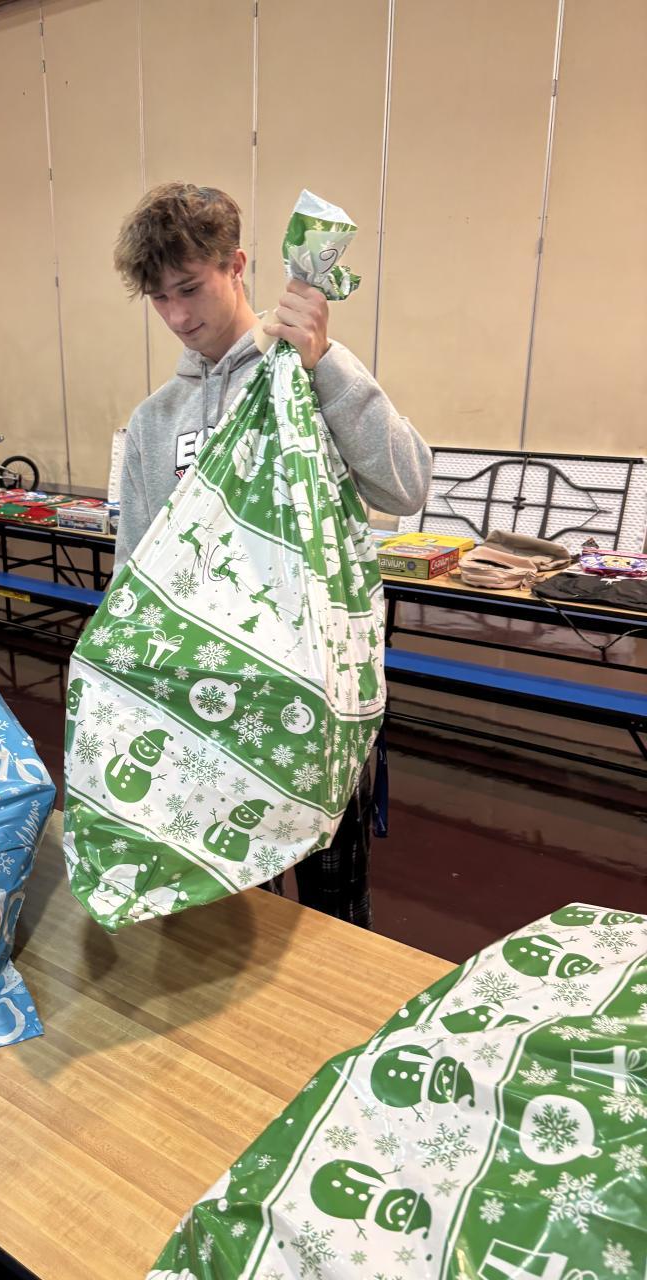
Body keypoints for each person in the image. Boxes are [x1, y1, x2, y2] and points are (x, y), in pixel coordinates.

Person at [111, 182, 433, 928]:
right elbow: (135, 575)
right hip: (213, 709)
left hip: (320, 702)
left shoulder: (305, 372)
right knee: (232, 915)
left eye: (190, 287)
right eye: (159, 299)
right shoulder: (155, 422)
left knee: (334, 911)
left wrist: (326, 364)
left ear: (236, 266)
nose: (178, 316)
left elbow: (406, 485)